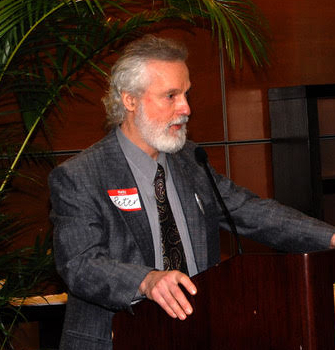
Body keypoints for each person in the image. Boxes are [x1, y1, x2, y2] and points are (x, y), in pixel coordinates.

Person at [48, 35, 335, 350]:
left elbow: (252, 212)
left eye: (186, 94)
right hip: (116, 339)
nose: (186, 108)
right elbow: (80, 263)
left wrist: (331, 237)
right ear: (129, 100)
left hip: (196, 334)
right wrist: (146, 281)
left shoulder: (191, 162)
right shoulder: (80, 175)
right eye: (170, 96)